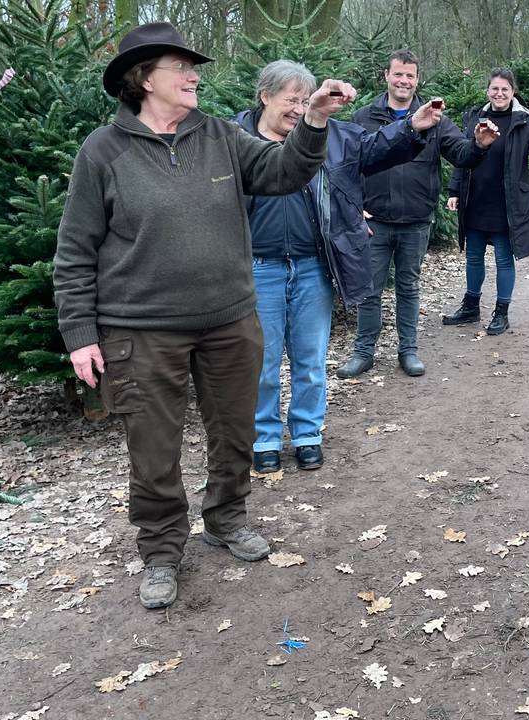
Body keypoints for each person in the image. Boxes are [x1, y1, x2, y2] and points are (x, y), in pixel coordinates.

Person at [53, 22, 346, 610]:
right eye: (180, 67)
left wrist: (312, 121)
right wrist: (81, 334)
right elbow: (75, 250)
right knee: (153, 447)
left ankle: (226, 518)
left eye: (195, 68)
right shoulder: (103, 151)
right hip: (140, 329)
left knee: (235, 430)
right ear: (143, 79)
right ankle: (161, 550)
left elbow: (284, 174)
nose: (194, 76)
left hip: (229, 320)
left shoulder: (219, 136)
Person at [237, 60, 437, 474]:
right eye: (289, 100)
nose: (296, 109)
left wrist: (412, 127)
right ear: (264, 97)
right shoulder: (233, 140)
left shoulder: (332, 136)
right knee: (262, 362)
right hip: (258, 269)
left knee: (310, 361)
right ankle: (265, 436)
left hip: (313, 266)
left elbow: (378, 147)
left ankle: (308, 434)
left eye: (303, 100)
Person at [338, 50, 497, 379]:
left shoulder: (434, 119)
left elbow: (462, 153)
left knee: (409, 287)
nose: (404, 81)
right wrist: (355, 207)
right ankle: (363, 352)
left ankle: (408, 351)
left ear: (417, 80)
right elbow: (347, 167)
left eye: (410, 76)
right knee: (369, 289)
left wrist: (479, 145)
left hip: (415, 221)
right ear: (386, 76)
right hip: (374, 222)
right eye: (398, 74)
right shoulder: (365, 117)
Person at [441, 68, 529, 335]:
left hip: (507, 204)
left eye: (505, 89)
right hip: (476, 199)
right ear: (488, 91)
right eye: (495, 89)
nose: (499, 93)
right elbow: (463, 156)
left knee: (503, 260)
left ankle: (501, 312)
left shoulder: (524, 120)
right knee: (473, 257)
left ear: (512, 92)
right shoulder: (475, 116)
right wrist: (454, 191)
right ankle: (470, 307)